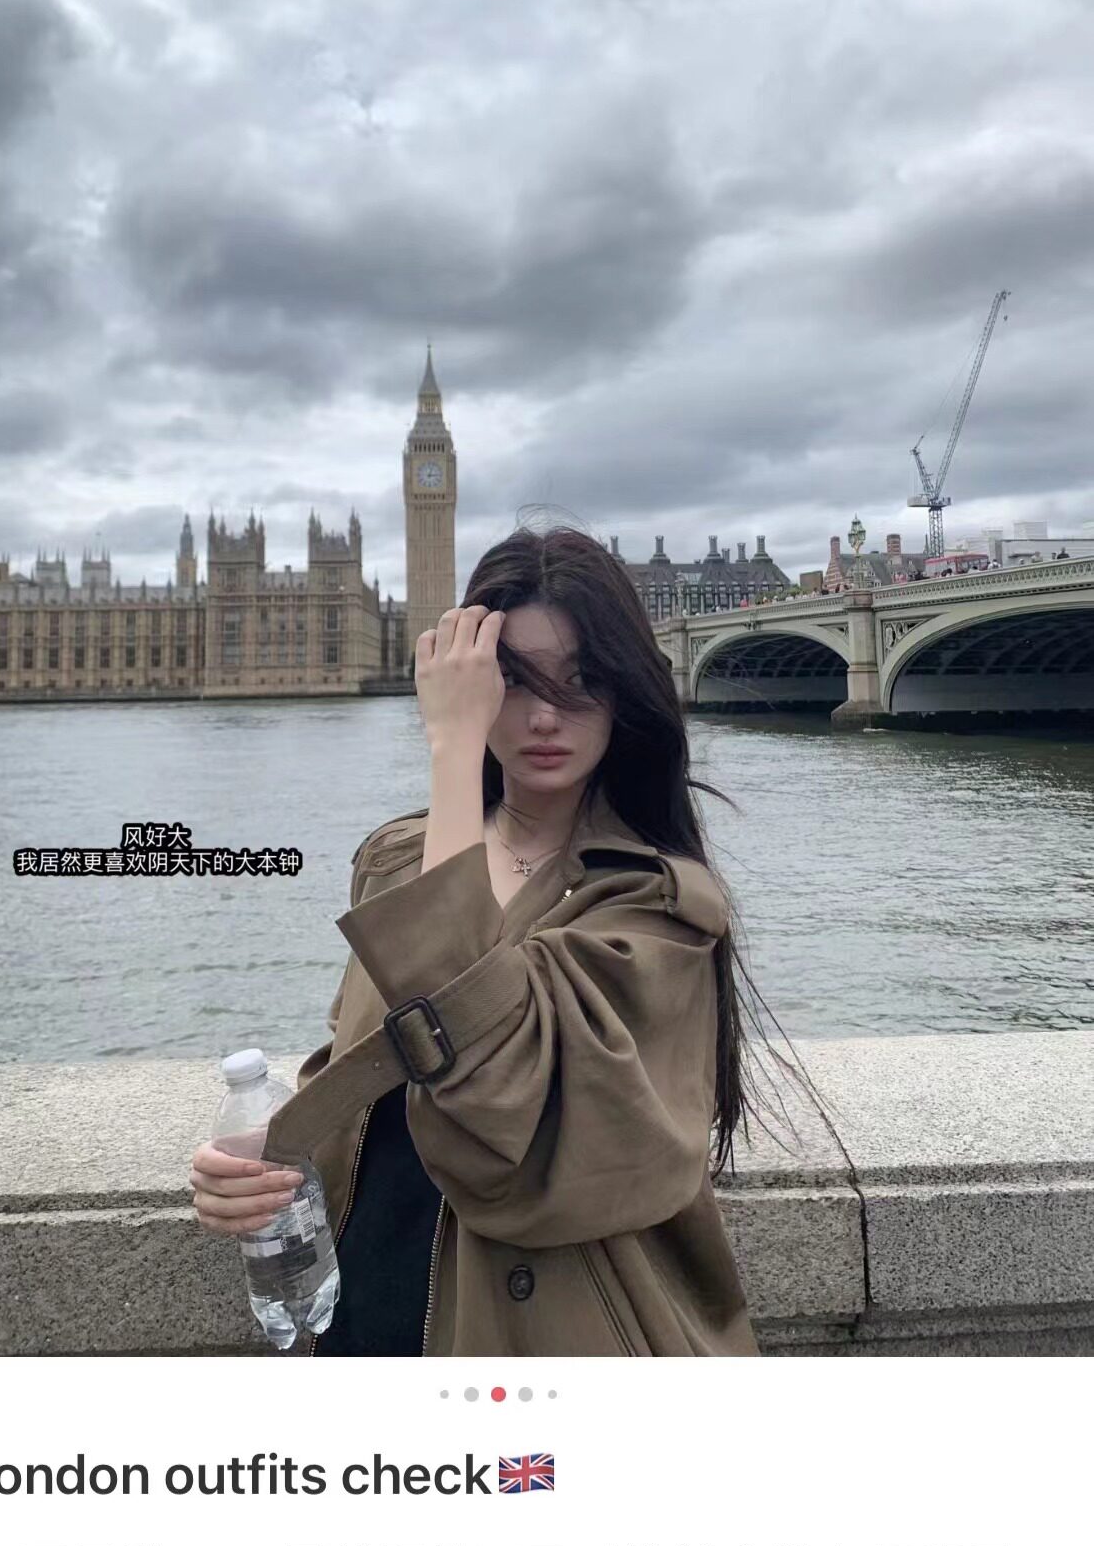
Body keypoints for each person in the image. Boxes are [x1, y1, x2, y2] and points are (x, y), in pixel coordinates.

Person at [189, 524, 843, 1356]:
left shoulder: (652, 906)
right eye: (512, 680)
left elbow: (490, 1092)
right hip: (361, 1317)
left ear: (627, 690)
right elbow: (363, 1071)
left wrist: (453, 748)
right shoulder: (397, 861)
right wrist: (270, 1159)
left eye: (581, 681)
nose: (542, 716)